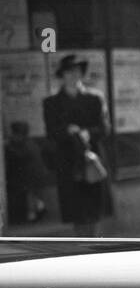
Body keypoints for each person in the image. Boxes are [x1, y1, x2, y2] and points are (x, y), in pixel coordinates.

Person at [42, 54, 110, 236]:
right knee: (76, 208)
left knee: (94, 206)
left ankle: (94, 243)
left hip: (91, 156)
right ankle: (80, 246)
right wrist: (67, 131)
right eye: (69, 72)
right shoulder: (52, 103)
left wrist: (87, 133)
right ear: (62, 75)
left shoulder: (94, 98)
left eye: (77, 71)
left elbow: (104, 129)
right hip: (68, 160)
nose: (74, 75)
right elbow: (51, 133)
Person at [4, 122, 47, 224]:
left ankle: (33, 214)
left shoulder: (26, 144)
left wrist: (8, 147)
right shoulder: (29, 143)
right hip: (33, 173)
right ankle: (39, 208)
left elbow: (20, 155)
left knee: (30, 194)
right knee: (32, 194)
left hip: (31, 174)